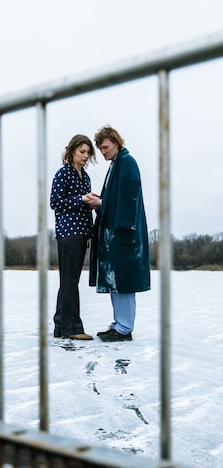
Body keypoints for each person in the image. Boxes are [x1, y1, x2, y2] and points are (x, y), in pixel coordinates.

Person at [86, 126, 150, 342]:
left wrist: (101, 204)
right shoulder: (117, 164)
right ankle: (119, 323)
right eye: (101, 149)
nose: (102, 152)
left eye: (105, 147)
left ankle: (124, 328)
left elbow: (128, 199)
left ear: (116, 142)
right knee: (116, 281)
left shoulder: (127, 162)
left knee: (124, 282)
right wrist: (101, 203)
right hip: (117, 236)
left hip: (125, 235)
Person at [50, 134, 96, 340]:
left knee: (70, 281)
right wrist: (81, 199)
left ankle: (61, 326)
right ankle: (72, 328)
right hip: (68, 233)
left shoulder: (85, 177)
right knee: (69, 281)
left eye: (88, 152)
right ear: (72, 152)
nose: (86, 156)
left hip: (82, 233)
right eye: (82, 152)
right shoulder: (63, 174)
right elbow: (55, 202)